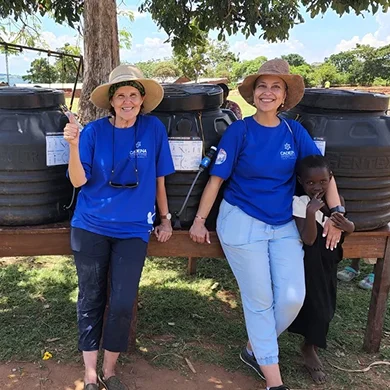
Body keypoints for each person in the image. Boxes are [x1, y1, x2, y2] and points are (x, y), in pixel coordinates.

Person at [189, 59, 343, 390]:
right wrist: (200, 221)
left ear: (285, 95)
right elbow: (216, 180)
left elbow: (323, 172)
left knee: (291, 298)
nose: (268, 92)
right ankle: (274, 380)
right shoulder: (239, 131)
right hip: (241, 220)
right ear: (253, 93)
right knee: (259, 300)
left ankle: (252, 348)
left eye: (276, 87)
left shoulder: (293, 131)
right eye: (262, 86)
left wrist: (337, 212)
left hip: (283, 223)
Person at [63, 64, 175, 390]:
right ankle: (88, 373)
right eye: (121, 95)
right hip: (91, 225)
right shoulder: (94, 133)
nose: (128, 101)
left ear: (142, 100)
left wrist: (166, 219)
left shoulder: (153, 129)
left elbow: (159, 179)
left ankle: (109, 370)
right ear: (111, 101)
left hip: (134, 229)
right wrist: (73, 145)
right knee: (91, 297)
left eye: (134, 95)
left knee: (123, 300)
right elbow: (78, 180)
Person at [288, 155, 355, 384]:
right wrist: (310, 212)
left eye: (323, 182)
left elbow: (347, 229)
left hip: (329, 263)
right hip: (310, 263)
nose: (317, 187)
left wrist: (347, 226)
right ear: (301, 181)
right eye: (311, 183)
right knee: (314, 307)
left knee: (327, 308)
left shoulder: (337, 203)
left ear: (330, 180)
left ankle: (311, 343)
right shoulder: (299, 203)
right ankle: (309, 349)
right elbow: (308, 239)